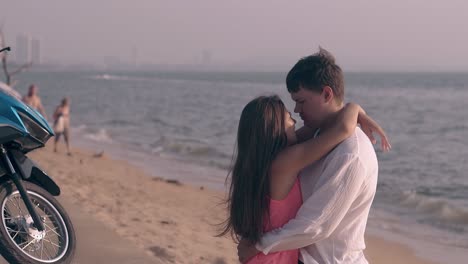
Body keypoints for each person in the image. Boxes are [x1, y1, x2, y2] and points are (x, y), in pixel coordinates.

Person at [237, 48, 391, 264]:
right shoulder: (316, 136)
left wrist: (259, 245)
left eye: (301, 101)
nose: (296, 110)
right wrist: (354, 109)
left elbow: (316, 226)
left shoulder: (350, 154)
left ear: (327, 94)